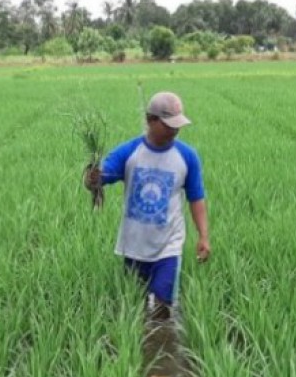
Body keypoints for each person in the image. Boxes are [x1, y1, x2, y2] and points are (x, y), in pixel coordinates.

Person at [84, 91, 210, 320]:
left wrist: (203, 236)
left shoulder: (187, 156)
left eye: (177, 125)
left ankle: (161, 345)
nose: (175, 130)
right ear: (151, 120)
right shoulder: (129, 152)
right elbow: (100, 178)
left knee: (164, 305)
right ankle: (135, 347)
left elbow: (196, 197)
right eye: (169, 125)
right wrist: (92, 179)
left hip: (168, 246)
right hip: (133, 245)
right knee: (136, 305)